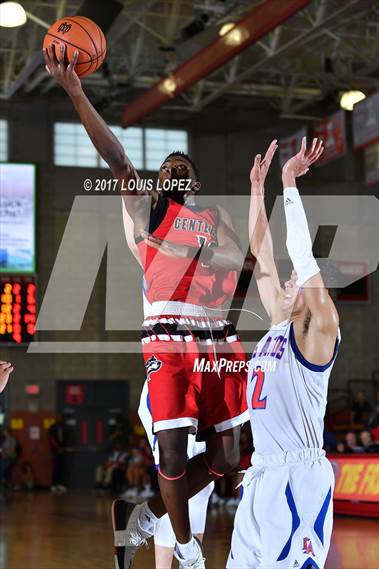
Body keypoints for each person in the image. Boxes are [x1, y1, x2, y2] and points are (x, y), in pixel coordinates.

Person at [43, 45, 248, 569]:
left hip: (219, 339)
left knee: (230, 459)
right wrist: (76, 93)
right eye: (166, 168)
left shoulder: (216, 216)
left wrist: (202, 251)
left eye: (181, 166)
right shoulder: (144, 213)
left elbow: (235, 259)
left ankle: (144, 516)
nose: (172, 171)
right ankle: (186, 547)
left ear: (194, 183)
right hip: (168, 338)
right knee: (176, 455)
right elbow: (117, 156)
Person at [227, 137, 340, 569]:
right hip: (261, 476)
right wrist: (257, 190)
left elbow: (300, 255)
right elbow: (263, 253)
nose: (288, 280)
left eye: (298, 279)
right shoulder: (278, 322)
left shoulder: (318, 334)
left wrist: (288, 181)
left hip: (300, 478)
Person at [139, 382, 214, 569]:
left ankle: (190, 561)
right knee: (175, 485)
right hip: (171, 391)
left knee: (201, 486)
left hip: (201, 393)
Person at [48, 416, 67, 493]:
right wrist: (57, 448)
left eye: (61, 418)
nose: (60, 419)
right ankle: (53, 485)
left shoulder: (63, 427)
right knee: (56, 467)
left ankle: (60, 484)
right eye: (58, 418)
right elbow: (51, 438)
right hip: (55, 450)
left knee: (61, 467)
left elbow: (65, 438)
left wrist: (64, 447)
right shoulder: (53, 427)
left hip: (62, 450)